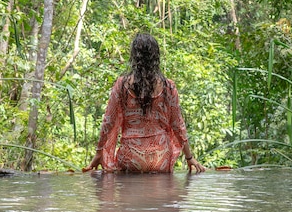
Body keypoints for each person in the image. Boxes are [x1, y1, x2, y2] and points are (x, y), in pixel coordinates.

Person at [84, 33, 206, 173]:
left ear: (134, 57)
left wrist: (100, 152)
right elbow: (178, 125)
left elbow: (109, 122)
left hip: (131, 157)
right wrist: (189, 157)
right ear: (156, 57)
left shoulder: (122, 85)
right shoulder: (168, 87)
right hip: (161, 158)